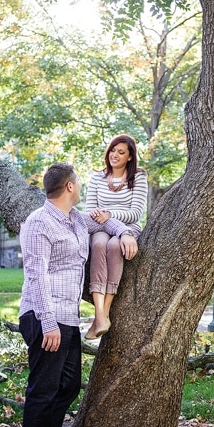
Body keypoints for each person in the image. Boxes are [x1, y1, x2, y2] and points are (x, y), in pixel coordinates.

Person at [18, 163, 137, 427]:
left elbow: (109, 223)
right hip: (44, 316)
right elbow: (36, 274)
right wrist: (48, 323)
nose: (82, 187)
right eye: (79, 183)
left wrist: (125, 232)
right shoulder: (38, 222)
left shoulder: (76, 219)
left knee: (67, 387)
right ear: (69, 186)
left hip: (68, 317)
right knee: (44, 389)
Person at [84, 134, 147, 340]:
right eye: (113, 150)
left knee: (113, 246)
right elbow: (90, 210)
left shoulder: (138, 176)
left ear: (130, 157)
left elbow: (136, 212)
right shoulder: (97, 178)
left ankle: (103, 314)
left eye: (121, 152)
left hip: (128, 228)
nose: (115, 155)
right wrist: (103, 217)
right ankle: (100, 316)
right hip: (101, 227)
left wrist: (111, 214)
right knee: (100, 243)